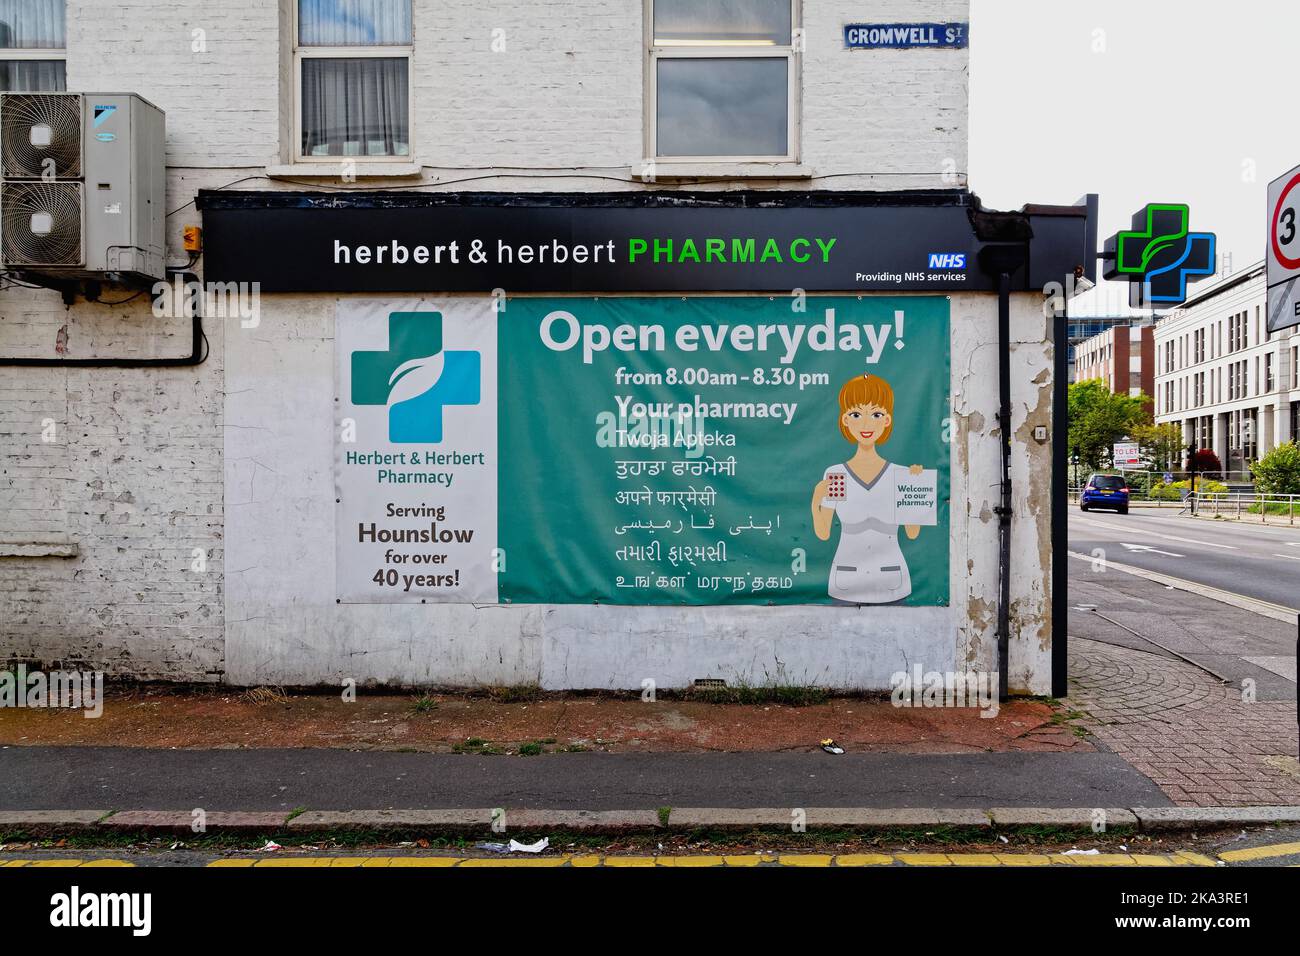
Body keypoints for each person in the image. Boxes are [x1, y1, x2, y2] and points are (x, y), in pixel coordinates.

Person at [812, 374, 925, 604]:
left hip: (892, 582)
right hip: (846, 581)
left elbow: (912, 533)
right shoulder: (837, 474)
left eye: (875, 414)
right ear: (845, 419)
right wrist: (816, 500)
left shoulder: (900, 474)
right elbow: (824, 533)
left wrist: (916, 487)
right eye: (856, 414)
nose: (865, 424)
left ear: (886, 420)